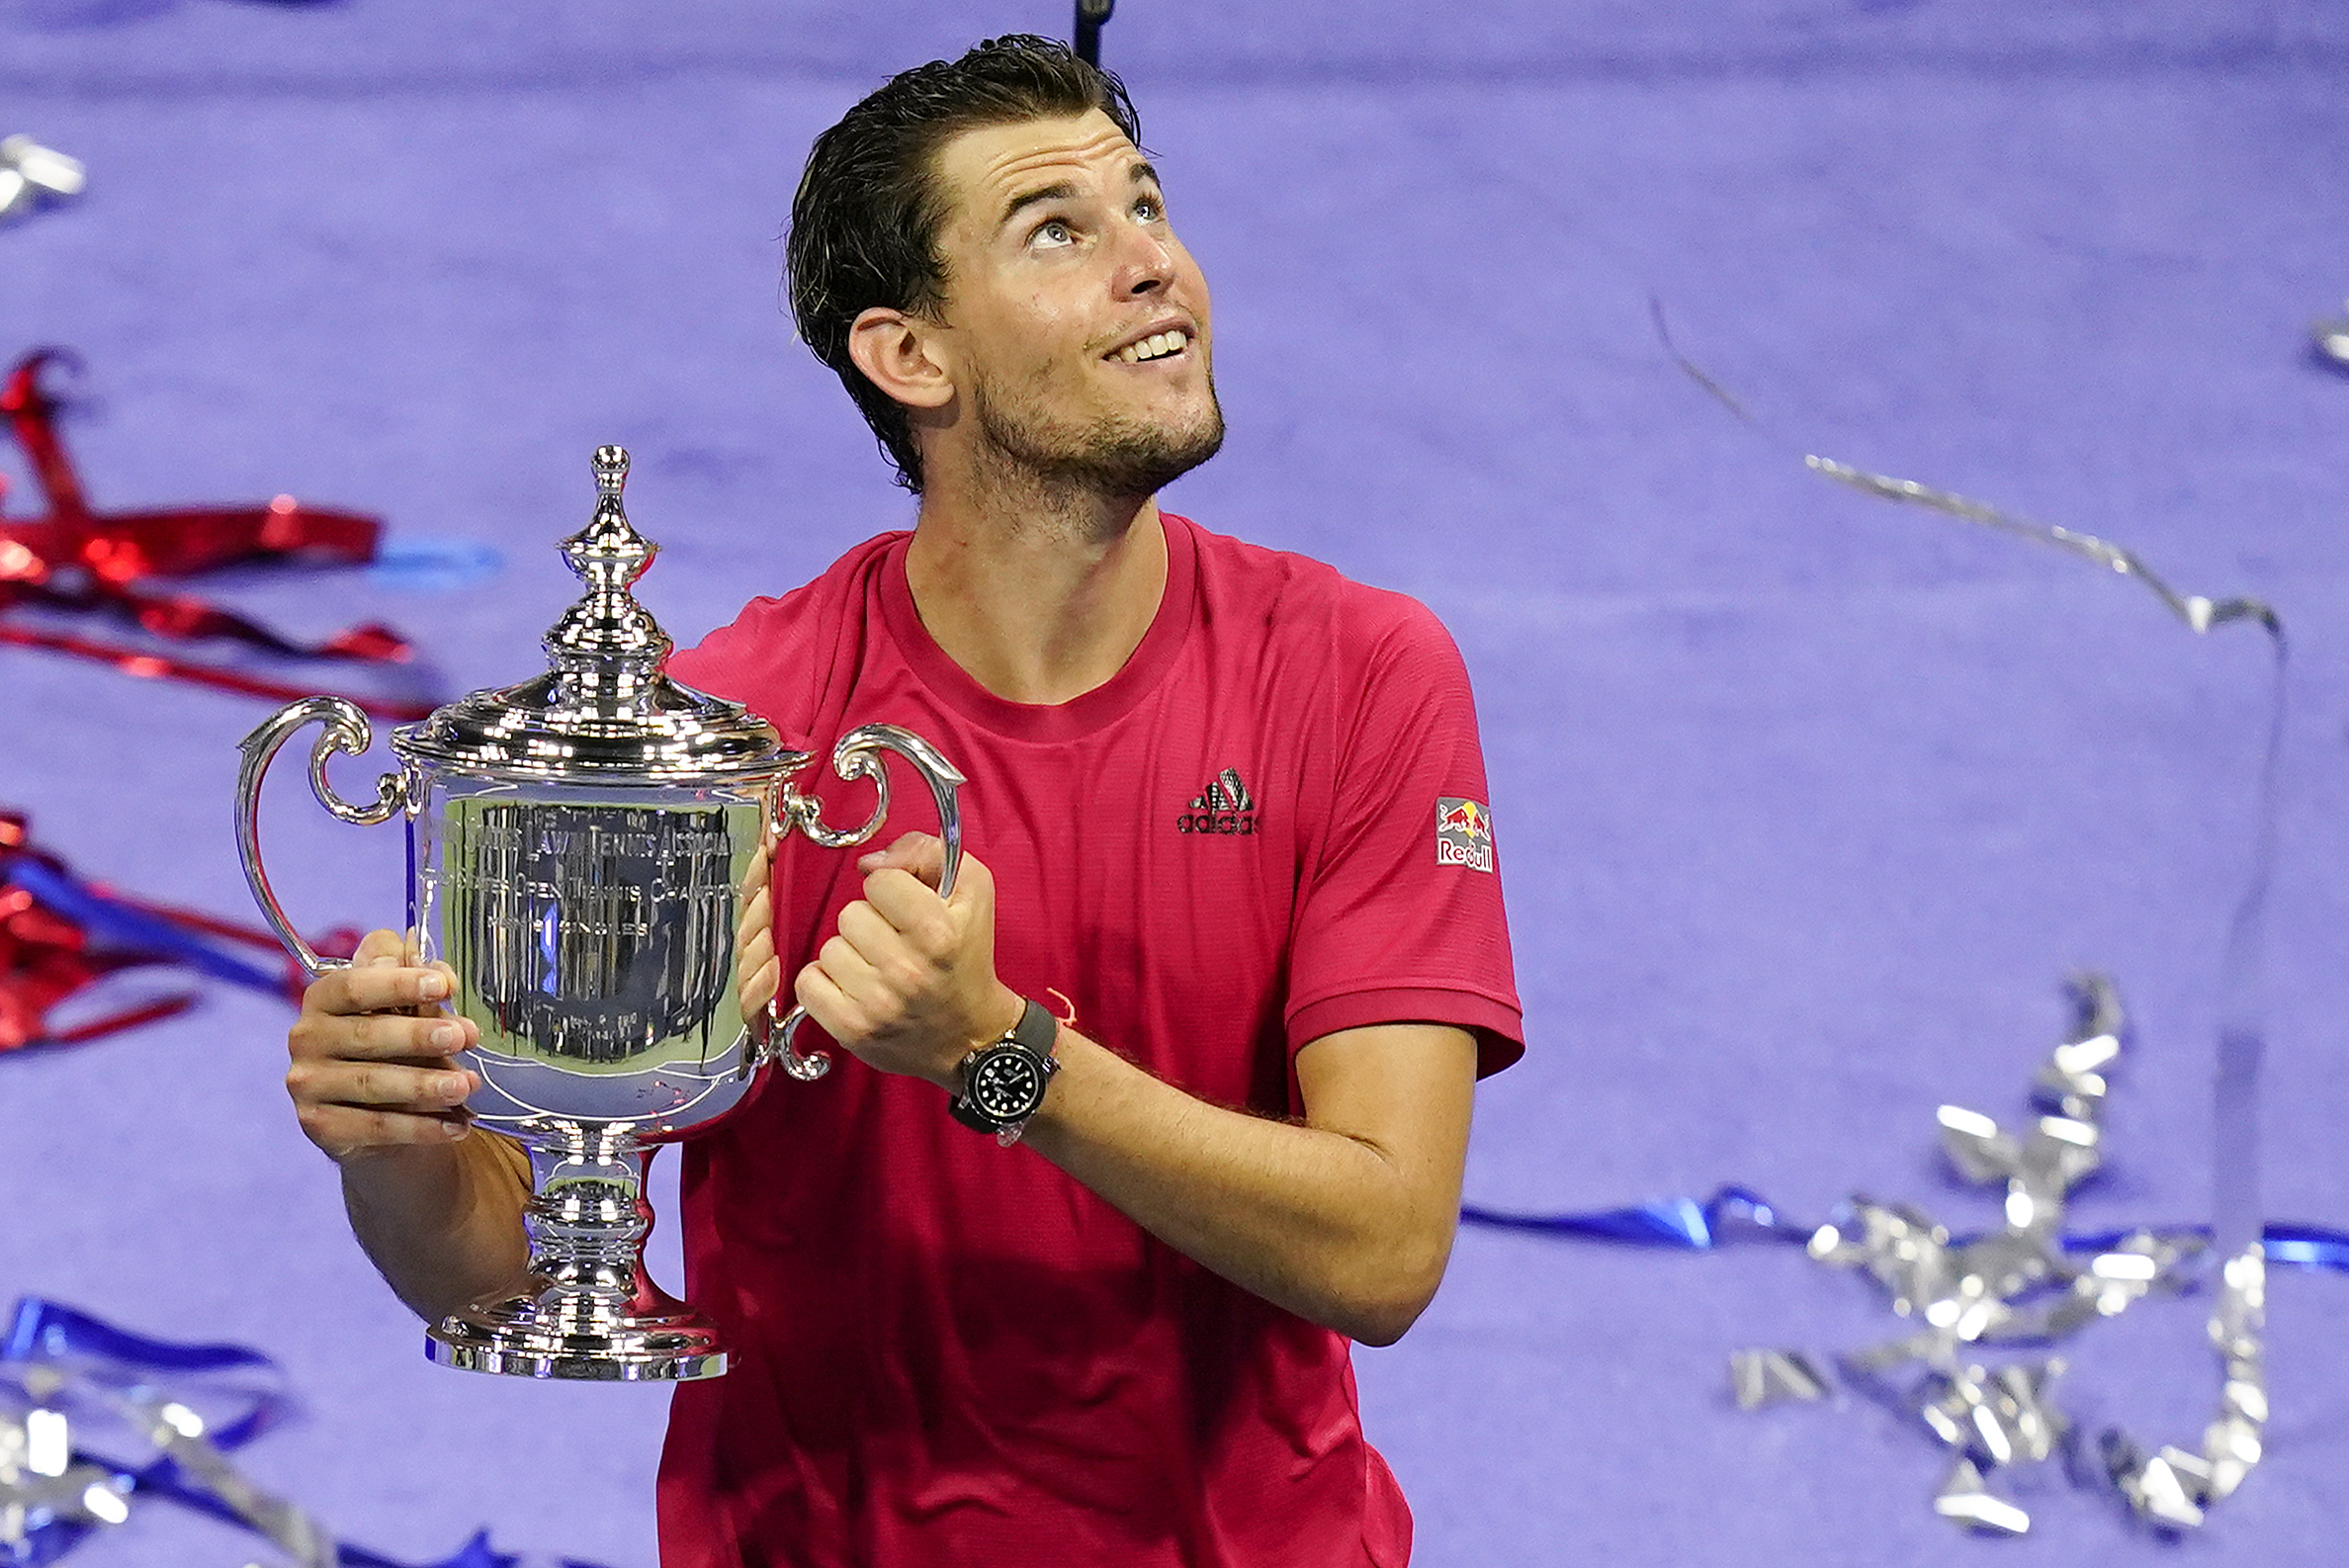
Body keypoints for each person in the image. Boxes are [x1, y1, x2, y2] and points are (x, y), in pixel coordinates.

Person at [285, 35, 1521, 1568]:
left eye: (1146, 203)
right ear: (910, 355)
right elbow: (503, 1270)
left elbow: (1386, 1249)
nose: (1154, 261)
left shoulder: (1361, 675)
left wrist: (1000, 1056)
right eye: (1056, 229)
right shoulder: (729, 737)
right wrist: (393, 1138)